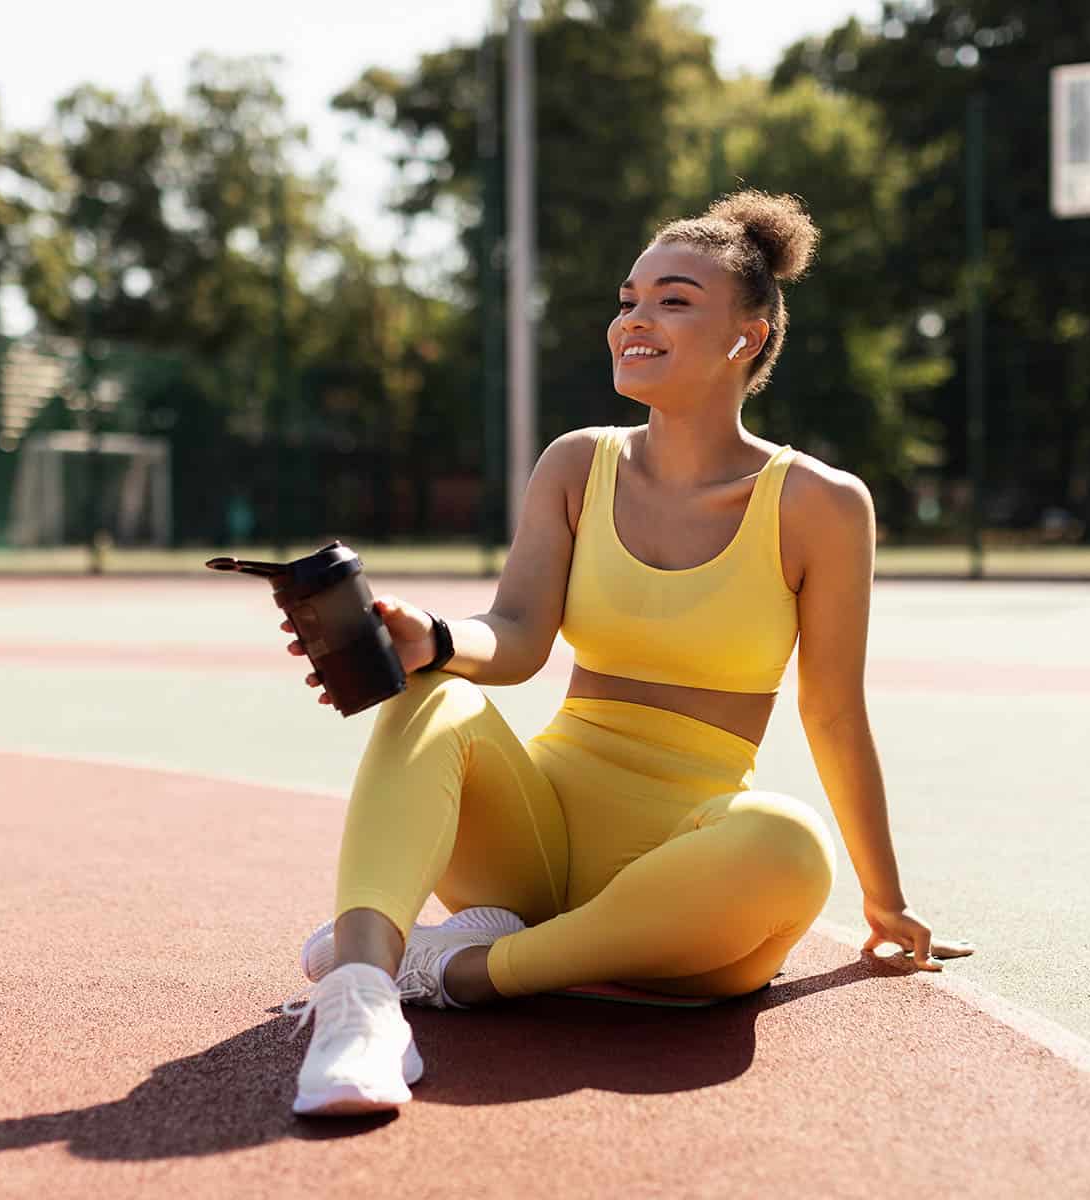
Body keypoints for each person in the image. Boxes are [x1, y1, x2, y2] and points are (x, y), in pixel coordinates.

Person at [278, 189, 975, 1117]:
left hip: (681, 888)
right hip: (530, 850)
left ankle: (464, 968)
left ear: (748, 335)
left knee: (790, 845)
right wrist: (435, 641)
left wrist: (885, 903)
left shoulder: (822, 503)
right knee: (430, 695)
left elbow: (833, 712)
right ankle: (361, 1003)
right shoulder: (576, 463)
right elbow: (517, 637)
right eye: (629, 297)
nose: (633, 320)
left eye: (674, 299)